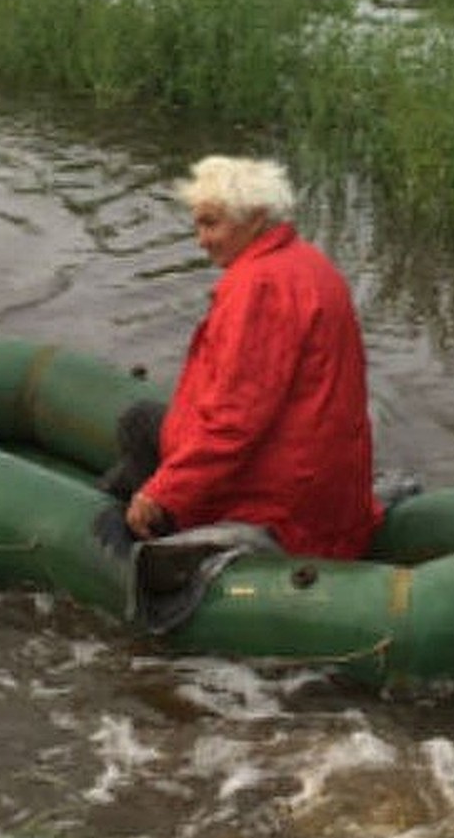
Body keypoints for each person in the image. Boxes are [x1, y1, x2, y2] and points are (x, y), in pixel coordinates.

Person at [111, 154, 384, 560]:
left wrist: (162, 491)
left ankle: (109, 527)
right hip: (320, 475)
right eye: (198, 223)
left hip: (282, 498)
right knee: (139, 423)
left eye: (211, 224)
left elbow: (235, 422)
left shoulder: (259, 288)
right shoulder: (306, 261)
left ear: (255, 219)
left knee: (133, 457)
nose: (200, 240)